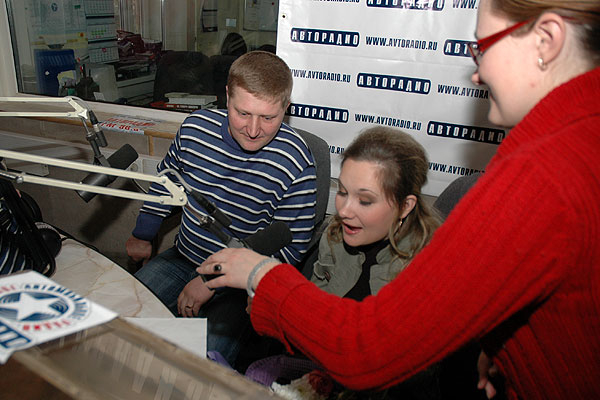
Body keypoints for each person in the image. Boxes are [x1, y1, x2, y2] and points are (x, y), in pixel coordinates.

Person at [197, 1, 600, 399]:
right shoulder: (576, 141)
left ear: (546, 39)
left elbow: (367, 350)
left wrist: (260, 275)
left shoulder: (543, 174)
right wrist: (504, 349)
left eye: (482, 47)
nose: (477, 73)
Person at [127, 50, 317, 366]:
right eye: (243, 113)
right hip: (184, 257)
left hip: (240, 285)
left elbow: (291, 248)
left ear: (286, 107)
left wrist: (212, 280)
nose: (253, 129)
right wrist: (143, 233)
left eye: (268, 118)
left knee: (202, 366)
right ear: (226, 96)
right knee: (123, 321)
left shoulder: (296, 160)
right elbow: (167, 182)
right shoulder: (195, 129)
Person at [245, 126, 442, 398]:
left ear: (405, 206)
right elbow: (317, 310)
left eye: (365, 200)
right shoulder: (336, 233)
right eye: (343, 192)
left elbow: (396, 366)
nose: (344, 210)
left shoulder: (432, 263)